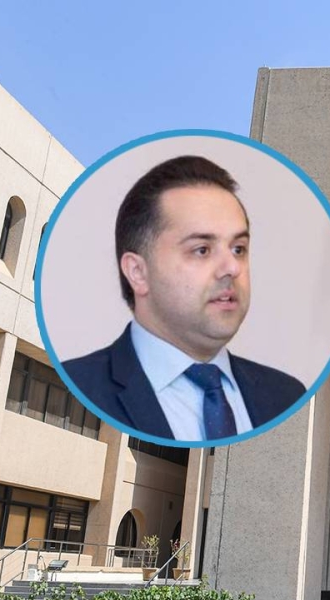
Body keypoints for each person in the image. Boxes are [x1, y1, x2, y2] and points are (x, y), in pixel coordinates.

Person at [64, 155, 305, 442]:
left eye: (238, 249)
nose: (232, 268)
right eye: (202, 250)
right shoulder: (82, 384)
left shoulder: (286, 395)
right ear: (138, 272)